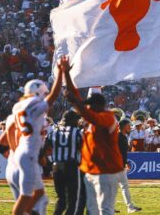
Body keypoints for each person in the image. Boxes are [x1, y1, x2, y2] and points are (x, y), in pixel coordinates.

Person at [62, 57, 124, 215]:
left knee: (103, 208)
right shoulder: (94, 117)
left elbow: (83, 109)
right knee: (86, 206)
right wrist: (66, 74)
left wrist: (76, 101)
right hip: (91, 169)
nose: (87, 106)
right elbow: (75, 97)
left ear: (98, 106)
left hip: (105, 171)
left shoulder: (108, 117)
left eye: (90, 104)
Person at [11, 60, 63, 215]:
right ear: (38, 92)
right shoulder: (32, 104)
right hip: (28, 153)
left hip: (26, 150)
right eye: (43, 93)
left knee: (39, 192)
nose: (45, 96)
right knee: (25, 196)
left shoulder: (18, 105)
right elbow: (53, 96)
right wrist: (60, 72)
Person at [49, 110, 83, 215]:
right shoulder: (77, 132)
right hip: (71, 167)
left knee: (61, 199)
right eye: (77, 119)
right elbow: (83, 149)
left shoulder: (54, 132)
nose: (78, 121)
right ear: (72, 120)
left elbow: (45, 148)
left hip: (56, 167)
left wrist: (48, 166)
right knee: (73, 200)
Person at [117, 119, 142, 213]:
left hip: (120, 165)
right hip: (116, 166)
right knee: (117, 187)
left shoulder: (123, 136)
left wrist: (126, 162)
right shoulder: (118, 136)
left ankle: (130, 207)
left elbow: (122, 152)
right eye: (128, 126)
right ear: (123, 127)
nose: (130, 127)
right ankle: (129, 207)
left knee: (122, 186)